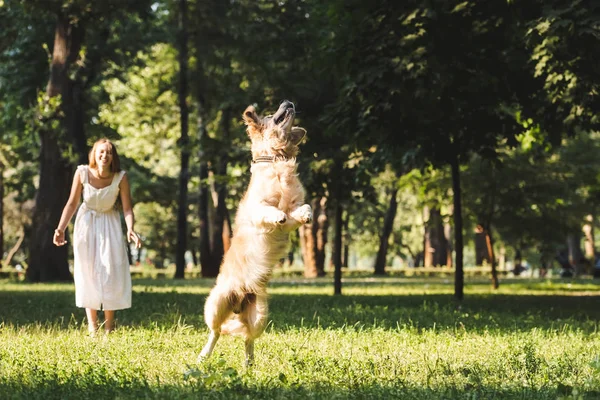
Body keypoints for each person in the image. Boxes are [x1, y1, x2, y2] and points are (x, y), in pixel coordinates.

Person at [53, 138, 142, 335]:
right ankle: (93, 326)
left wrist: (130, 228)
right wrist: (60, 228)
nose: (104, 156)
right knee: (88, 270)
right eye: (101, 152)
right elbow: (71, 203)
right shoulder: (82, 172)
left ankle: (109, 326)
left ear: (113, 157)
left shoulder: (121, 177)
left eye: (108, 152)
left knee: (111, 270)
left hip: (109, 223)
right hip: (86, 223)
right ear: (94, 154)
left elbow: (127, 208)